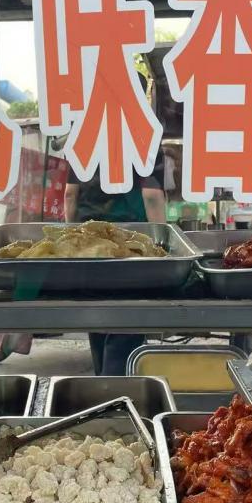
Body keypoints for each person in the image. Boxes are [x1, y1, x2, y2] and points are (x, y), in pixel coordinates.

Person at [64, 149, 166, 377]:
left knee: (97, 316)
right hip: (131, 243)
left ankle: (102, 383)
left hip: (88, 242)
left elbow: (70, 194)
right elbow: (151, 196)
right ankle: (114, 389)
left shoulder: (84, 140)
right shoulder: (144, 142)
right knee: (126, 321)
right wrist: (161, 244)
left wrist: (73, 238)